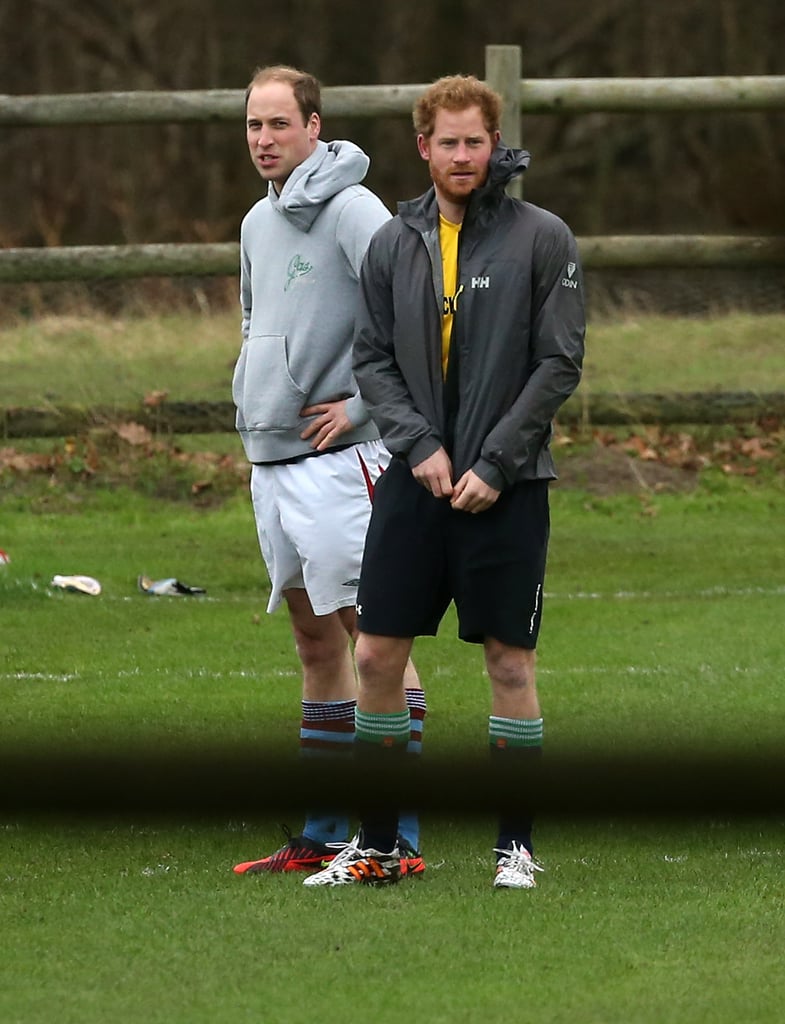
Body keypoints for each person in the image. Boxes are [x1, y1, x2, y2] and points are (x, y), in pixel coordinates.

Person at [304, 74, 585, 890]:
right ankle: (381, 845)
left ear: (493, 146)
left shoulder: (543, 237)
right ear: (421, 147)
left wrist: (495, 463)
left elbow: (558, 361)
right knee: (378, 653)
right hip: (413, 483)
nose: (462, 156)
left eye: (475, 142)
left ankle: (515, 848)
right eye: (446, 142)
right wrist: (419, 446)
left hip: (508, 486)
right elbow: (373, 360)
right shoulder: (394, 242)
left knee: (508, 664)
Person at [230, 64, 426, 876]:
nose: (264, 140)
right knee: (315, 643)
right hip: (272, 461)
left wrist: (363, 411)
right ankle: (319, 831)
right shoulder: (254, 220)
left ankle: (399, 836)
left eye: (279, 124)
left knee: (373, 643)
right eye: (252, 126)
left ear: (314, 127)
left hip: (345, 463)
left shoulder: (354, 209)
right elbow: (253, 319)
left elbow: (412, 309)